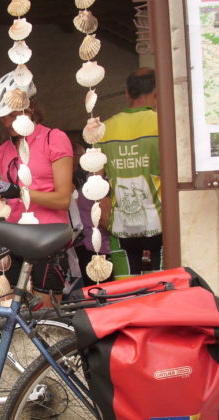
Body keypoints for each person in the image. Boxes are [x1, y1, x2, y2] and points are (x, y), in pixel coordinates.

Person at [0, 71, 74, 305]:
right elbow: (4, 206)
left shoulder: (53, 139)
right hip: (12, 238)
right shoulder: (4, 150)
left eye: (12, 115)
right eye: (2, 117)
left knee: (45, 317)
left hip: (47, 238)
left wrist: (21, 192)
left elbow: (63, 199)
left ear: (30, 107)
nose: (6, 123)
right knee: (1, 308)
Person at [97, 67, 161, 278]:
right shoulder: (163, 125)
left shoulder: (104, 130)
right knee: (163, 292)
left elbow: (96, 184)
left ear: (127, 93)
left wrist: (105, 218)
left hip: (121, 225)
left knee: (125, 293)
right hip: (160, 224)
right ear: (157, 93)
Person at [66, 130, 113, 286]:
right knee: (104, 294)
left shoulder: (87, 182)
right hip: (99, 248)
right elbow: (105, 220)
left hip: (85, 245)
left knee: (93, 292)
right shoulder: (99, 185)